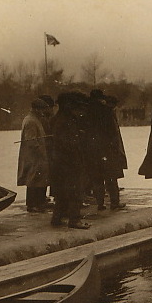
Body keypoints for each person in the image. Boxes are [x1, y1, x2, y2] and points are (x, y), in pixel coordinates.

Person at [49, 91, 91, 229]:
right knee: (75, 191)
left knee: (61, 192)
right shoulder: (67, 122)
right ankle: (74, 220)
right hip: (70, 162)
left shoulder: (57, 119)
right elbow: (70, 144)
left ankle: (57, 218)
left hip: (58, 162)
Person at [17, 98, 52, 213]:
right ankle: (32, 205)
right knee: (33, 180)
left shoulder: (34, 119)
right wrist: (40, 152)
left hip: (39, 156)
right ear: (36, 109)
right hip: (34, 157)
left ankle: (39, 203)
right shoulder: (31, 121)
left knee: (39, 179)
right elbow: (31, 140)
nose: (43, 112)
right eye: (41, 109)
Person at [99, 93, 128, 210]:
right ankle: (115, 202)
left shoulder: (101, 114)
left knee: (103, 178)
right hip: (110, 151)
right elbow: (113, 135)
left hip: (102, 151)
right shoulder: (108, 115)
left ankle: (102, 202)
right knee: (112, 177)